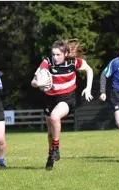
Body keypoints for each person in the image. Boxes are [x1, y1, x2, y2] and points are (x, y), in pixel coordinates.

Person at [31, 39, 94, 170]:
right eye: (53, 54)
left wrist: (88, 88)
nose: (55, 57)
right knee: (50, 132)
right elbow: (34, 81)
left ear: (65, 53)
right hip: (50, 99)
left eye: (58, 54)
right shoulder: (47, 62)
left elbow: (89, 70)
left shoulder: (73, 62)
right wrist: (38, 83)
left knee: (55, 117)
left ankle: (56, 148)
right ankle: (51, 155)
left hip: (67, 98)